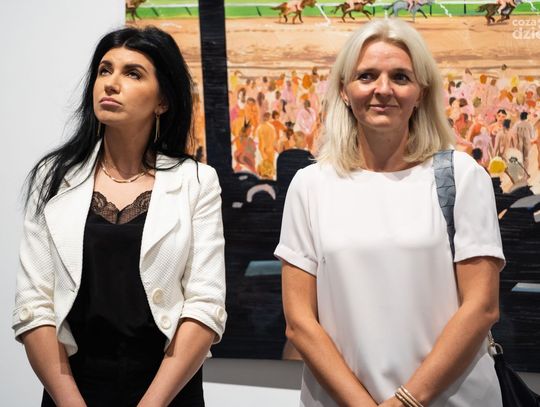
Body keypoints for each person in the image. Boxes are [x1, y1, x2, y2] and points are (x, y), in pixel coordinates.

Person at [276, 19, 504, 407]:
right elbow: (300, 323)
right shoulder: (310, 185)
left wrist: (405, 401)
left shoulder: (462, 177)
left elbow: (481, 308)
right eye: (367, 76)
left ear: (421, 92)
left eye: (400, 76)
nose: (383, 89)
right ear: (345, 90)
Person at [13, 26, 227, 407]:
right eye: (104, 70)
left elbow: (204, 306)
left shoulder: (196, 182)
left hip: (166, 392)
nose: (111, 83)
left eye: (133, 73)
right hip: (72, 390)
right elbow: (35, 307)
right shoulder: (54, 178)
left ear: (163, 101)